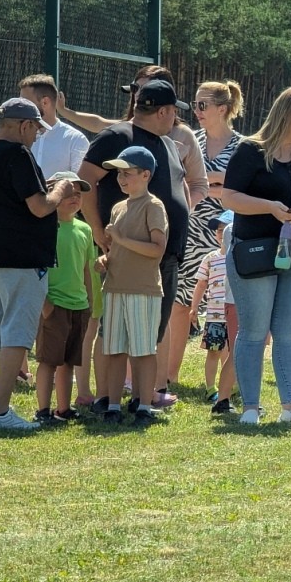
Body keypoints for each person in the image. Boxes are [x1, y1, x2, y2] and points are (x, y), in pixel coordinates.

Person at [78, 79, 192, 411]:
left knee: (150, 330)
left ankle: (144, 396)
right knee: (112, 330)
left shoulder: (166, 143)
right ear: (165, 111)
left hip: (164, 256)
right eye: (173, 112)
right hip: (126, 254)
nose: (175, 118)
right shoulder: (118, 136)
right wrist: (99, 232)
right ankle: (105, 396)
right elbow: (85, 181)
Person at [0, 98, 76, 430]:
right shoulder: (19, 154)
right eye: (37, 129)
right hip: (24, 256)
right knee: (16, 332)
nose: (37, 135)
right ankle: (0, 413)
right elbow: (40, 207)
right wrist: (60, 191)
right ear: (25, 125)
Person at [219, 85, 291, 427]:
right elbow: (229, 197)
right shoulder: (250, 150)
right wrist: (269, 208)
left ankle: (290, 406)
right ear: (286, 113)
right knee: (253, 332)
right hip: (254, 252)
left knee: (287, 333)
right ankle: (251, 407)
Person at [168, 80, 244, 388]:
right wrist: (217, 184)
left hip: (222, 235)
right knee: (179, 302)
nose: (196, 111)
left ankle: (226, 381)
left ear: (222, 109)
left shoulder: (242, 145)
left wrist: (207, 180)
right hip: (188, 226)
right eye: (195, 105)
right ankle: (169, 375)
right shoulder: (191, 140)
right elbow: (181, 178)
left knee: (225, 308)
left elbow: (240, 186)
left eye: (203, 105)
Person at [96, 146, 168, 425]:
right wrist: (105, 259)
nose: (121, 179)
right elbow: (116, 250)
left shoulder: (154, 206)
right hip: (114, 288)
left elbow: (157, 249)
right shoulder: (118, 208)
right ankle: (114, 405)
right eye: (119, 174)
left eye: (127, 173)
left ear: (146, 174)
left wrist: (121, 239)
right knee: (114, 350)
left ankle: (144, 408)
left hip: (143, 289)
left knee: (143, 350)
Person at [33, 171, 94, 425]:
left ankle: (63, 408)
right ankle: (43, 410)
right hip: (54, 304)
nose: (74, 198)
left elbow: (86, 269)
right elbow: (35, 267)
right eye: (68, 193)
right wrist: (45, 303)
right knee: (49, 361)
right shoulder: (43, 228)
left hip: (78, 305)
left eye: (78, 194)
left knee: (69, 361)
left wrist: (89, 302)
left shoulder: (85, 229)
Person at [189, 212, 235, 414]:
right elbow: (201, 284)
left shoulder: (238, 257)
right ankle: (210, 388)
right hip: (214, 315)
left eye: (225, 229)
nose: (220, 233)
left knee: (233, 353)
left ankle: (231, 386)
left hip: (233, 315)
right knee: (213, 352)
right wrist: (194, 307)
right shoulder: (211, 258)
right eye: (218, 230)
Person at [22, 74, 88, 176]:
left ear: (45, 102)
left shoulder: (75, 140)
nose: (20, 106)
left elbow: (80, 185)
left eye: (26, 102)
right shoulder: (18, 137)